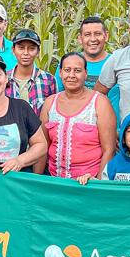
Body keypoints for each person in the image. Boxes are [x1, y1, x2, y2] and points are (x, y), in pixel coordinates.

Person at [42, 52, 118, 181]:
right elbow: (42, 146)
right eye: (67, 70)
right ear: (60, 73)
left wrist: (99, 184)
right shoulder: (50, 102)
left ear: (85, 73)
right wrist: (37, 181)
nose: (71, 75)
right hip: (55, 182)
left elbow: (109, 150)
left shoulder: (99, 102)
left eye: (77, 70)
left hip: (88, 184)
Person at [56, 16, 120, 114]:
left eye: (97, 34)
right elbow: (58, 99)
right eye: (87, 35)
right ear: (80, 39)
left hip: (112, 128)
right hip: (77, 126)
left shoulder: (117, 63)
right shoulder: (68, 64)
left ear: (106, 36)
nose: (93, 39)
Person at [6, 29, 58, 113]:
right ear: (13, 50)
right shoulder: (3, 79)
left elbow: (53, 113)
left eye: (31, 48)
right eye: (21, 48)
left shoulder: (48, 80)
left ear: (38, 52)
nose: (26, 53)